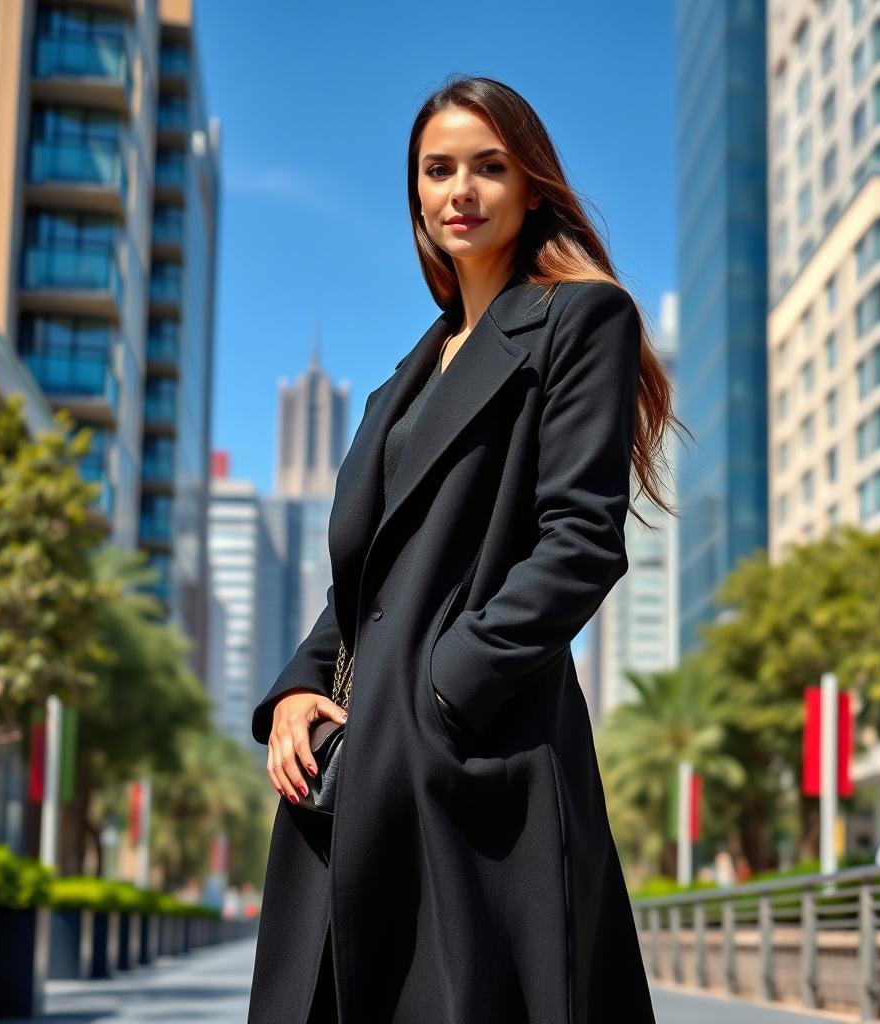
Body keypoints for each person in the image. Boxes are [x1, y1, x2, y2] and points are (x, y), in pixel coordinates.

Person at [247, 74, 683, 1024]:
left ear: (532, 185)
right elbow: (359, 583)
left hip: (476, 758)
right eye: (438, 169)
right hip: (353, 768)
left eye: (490, 167)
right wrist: (293, 690)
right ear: (415, 194)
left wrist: (447, 691)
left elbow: (580, 541)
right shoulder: (402, 381)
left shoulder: (580, 318)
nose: (461, 190)